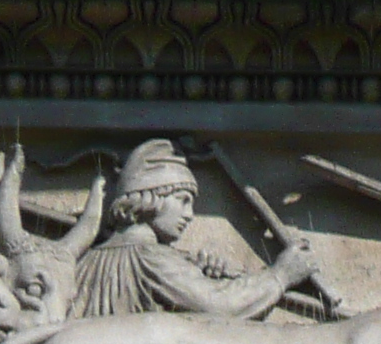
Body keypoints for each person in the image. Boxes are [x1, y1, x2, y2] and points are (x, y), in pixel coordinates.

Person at [68, 137, 327, 322]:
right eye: (183, 200)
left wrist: (200, 274)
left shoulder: (82, 265)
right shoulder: (153, 259)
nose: (190, 215)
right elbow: (221, 305)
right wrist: (281, 275)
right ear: (152, 197)